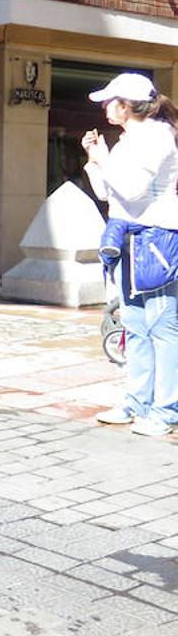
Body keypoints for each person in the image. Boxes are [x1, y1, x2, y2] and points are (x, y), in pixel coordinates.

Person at [85, 72, 178, 437]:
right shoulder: (130, 140)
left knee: (162, 327)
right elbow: (109, 193)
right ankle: (137, 403)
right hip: (129, 237)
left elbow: (132, 189)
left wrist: (102, 157)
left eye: (110, 101)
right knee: (136, 325)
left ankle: (166, 410)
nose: (106, 107)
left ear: (125, 105)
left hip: (156, 238)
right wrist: (96, 158)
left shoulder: (156, 138)